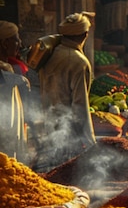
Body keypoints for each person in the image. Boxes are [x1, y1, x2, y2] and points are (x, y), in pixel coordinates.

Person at [37, 12, 96, 168]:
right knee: (69, 174)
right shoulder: (79, 61)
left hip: (49, 124)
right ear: (85, 34)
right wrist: (90, 143)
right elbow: (80, 105)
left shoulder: (51, 54)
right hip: (69, 131)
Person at [0, 21, 29, 163]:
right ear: (5, 43)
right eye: (16, 40)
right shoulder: (7, 75)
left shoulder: (9, 68)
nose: (20, 44)